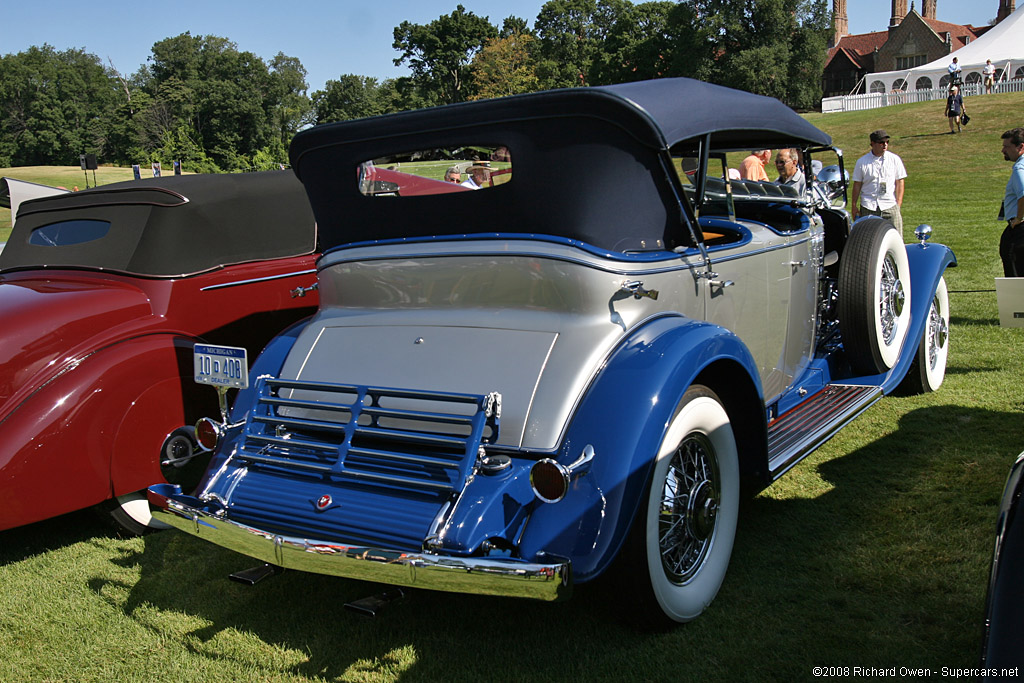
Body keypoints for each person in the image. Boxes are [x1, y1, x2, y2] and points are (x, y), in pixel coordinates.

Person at [850, 129, 907, 234]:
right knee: (867, 239)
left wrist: (898, 203)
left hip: (890, 206)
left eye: (887, 142)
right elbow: (857, 184)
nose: (885, 145)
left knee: (896, 238)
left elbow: (900, 181)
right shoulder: (862, 162)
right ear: (872, 143)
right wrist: (854, 205)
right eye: (881, 142)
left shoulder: (894, 159)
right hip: (869, 206)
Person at [999, 128, 1024, 276]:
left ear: (1020, 147)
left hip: (1020, 231)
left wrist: (1018, 218)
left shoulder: (1019, 168)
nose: (1003, 150)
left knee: (1015, 277)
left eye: (1007, 146)